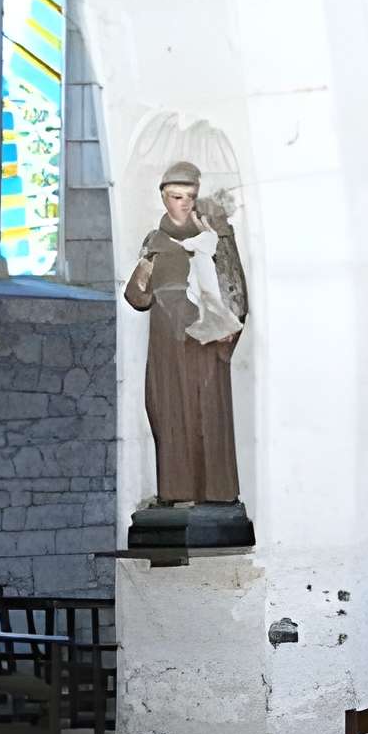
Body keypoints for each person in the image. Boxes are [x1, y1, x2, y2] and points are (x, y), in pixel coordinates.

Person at [121, 160, 247, 504]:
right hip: (167, 342)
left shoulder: (213, 237)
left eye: (190, 196)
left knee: (208, 415)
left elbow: (233, 288)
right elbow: (137, 297)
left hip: (205, 342)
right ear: (164, 198)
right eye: (177, 196)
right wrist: (147, 269)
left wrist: (227, 329)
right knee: (169, 411)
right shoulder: (155, 241)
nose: (184, 203)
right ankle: (176, 492)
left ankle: (216, 495)